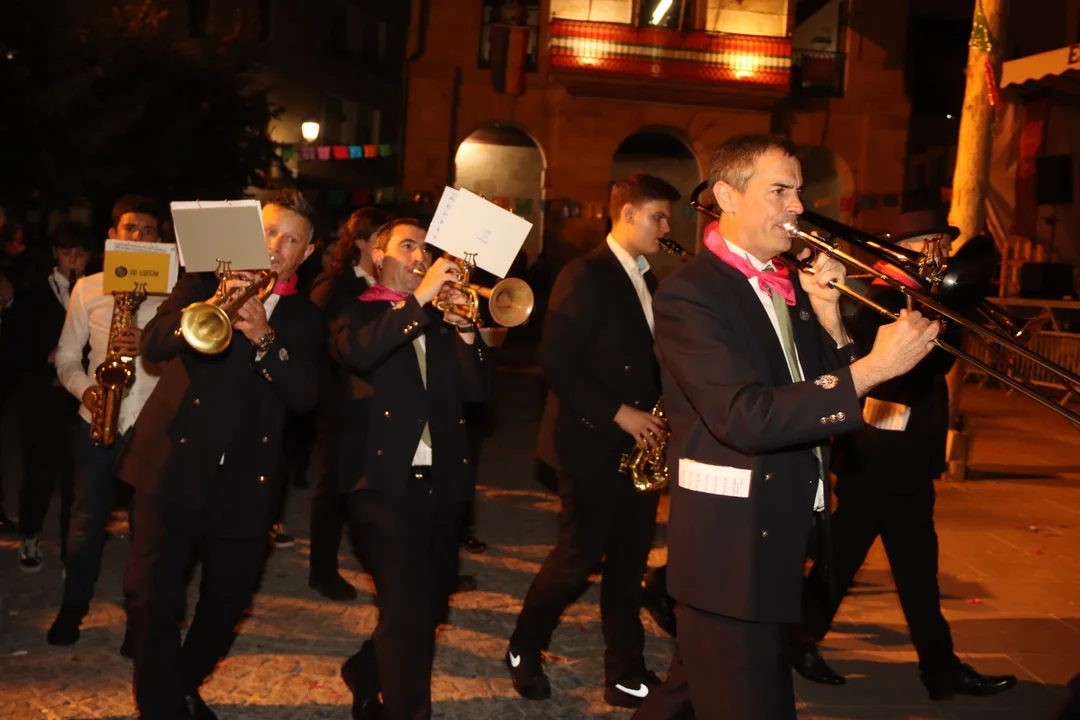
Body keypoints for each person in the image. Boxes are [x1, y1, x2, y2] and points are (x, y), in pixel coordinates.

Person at [634, 134, 942, 720]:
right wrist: (876, 368)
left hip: (780, 535)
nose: (798, 206)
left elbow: (822, 395)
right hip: (729, 552)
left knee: (688, 694)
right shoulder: (688, 295)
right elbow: (745, 417)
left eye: (797, 191)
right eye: (779, 190)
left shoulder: (789, 285)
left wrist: (829, 317)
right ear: (727, 196)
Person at [790, 209, 1017, 700]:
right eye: (936, 243)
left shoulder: (923, 296)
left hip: (909, 460)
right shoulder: (882, 298)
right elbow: (904, 371)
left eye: (945, 245)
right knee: (843, 562)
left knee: (916, 572)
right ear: (910, 247)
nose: (944, 254)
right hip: (876, 460)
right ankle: (800, 640)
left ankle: (939, 668)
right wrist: (943, 312)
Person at [118, 190, 324, 718]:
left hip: (246, 484)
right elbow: (153, 343)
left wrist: (265, 338)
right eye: (270, 232)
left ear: (306, 253)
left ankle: (182, 684)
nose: (275, 247)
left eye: (291, 240)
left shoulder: (305, 318)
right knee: (151, 598)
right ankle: (161, 707)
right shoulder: (201, 280)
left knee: (226, 603)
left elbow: (305, 397)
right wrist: (210, 303)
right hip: (171, 465)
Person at [506, 173, 679, 709]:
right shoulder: (585, 273)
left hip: (636, 449)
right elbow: (556, 361)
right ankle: (523, 647)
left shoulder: (647, 278)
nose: (667, 228)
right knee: (576, 561)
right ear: (626, 214)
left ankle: (625, 672)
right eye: (658, 216)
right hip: (588, 443)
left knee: (628, 564)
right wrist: (620, 413)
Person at [331, 218, 491, 719]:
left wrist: (466, 329)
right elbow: (359, 354)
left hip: (443, 482)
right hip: (381, 483)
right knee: (407, 611)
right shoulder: (353, 308)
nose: (421, 256)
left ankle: (365, 669)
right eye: (407, 246)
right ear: (379, 256)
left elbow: (478, 392)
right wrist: (419, 299)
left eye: (426, 248)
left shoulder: (440, 319)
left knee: (431, 604)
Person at [47, 195, 168, 646]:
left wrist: (152, 345)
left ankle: (139, 623)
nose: (138, 237)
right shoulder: (88, 288)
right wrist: (87, 391)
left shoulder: (174, 294)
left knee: (148, 531)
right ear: (113, 235)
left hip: (150, 423)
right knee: (85, 523)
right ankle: (72, 608)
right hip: (96, 418)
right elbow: (66, 357)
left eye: (148, 231)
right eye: (130, 228)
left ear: (160, 241)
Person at [305, 207, 391, 601]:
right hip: (340, 401)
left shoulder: (389, 283)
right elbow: (313, 340)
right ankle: (321, 570)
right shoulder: (335, 284)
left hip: (379, 401)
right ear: (360, 243)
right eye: (382, 240)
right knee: (336, 487)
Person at [6, 222, 93, 571]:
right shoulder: (32, 296)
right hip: (42, 397)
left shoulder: (97, 293)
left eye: (80, 253)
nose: (73, 260)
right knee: (40, 472)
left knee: (77, 476)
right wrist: (47, 361)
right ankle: (29, 536)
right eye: (66, 252)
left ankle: (72, 546)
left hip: (80, 397)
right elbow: (14, 349)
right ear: (55, 254)